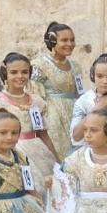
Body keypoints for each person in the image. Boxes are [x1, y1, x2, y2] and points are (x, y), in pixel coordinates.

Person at [0, 54, 60, 199]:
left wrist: (57, 162)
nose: (20, 76)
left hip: (38, 154)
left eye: (24, 72)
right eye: (14, 72)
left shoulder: (37, 102)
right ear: (5, 73)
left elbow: (43, 135)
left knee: (45, 192)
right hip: (8, 152)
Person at [29, 22, 83, 159]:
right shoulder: (39, 65)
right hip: (52, 117)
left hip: (74, 115)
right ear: (52, 41)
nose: (69, 44)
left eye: (72, 40)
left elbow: (80, 93)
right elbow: (35, 97)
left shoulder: (76, 66)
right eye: (64, 40)